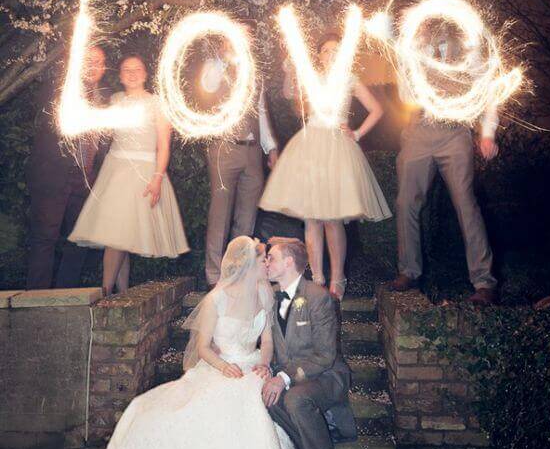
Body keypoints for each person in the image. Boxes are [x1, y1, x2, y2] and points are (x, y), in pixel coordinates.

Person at [89, 236, 300, 449]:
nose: (266, 263)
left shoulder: (264, 292)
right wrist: (224, 367)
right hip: (220, 365)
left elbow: (267, 340)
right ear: (248, 264)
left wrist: (264, 364)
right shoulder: (217, 298)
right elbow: (202, 348)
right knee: (175, 410)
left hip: (251, 366)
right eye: (263, 259)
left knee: (252, 402)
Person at [259, 35, 392, 300]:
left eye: (336, 50)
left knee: (332, 219)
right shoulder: (312, 79)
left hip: (336, 148)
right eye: (326, 50)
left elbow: (377, 109)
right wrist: (289, 71)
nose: (331, 54)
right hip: (310, 148)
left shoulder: (350, 79)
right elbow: (290, 94)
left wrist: (356, 133)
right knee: (312, 218)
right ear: (319, 56)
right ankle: (317, 278)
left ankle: (337, 277)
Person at [390, 30, 499, 305]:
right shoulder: (413, 51)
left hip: (455, 132)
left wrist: (487, 133)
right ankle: (408, 271)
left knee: (465, 203)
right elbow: (405, 96)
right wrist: (406, 61)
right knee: (405, 202)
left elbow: (489, 91)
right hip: (420, 131)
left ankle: (484, 281)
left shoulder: (468, 50)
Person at [69, 54, 188, 295]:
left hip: (143, 173)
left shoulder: (158, 104)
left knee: (119, 236)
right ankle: (121, 293)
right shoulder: (115, 100)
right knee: (119, 235)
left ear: (145, 74)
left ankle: (104, 292)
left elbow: (163, 146)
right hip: (115, 172)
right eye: (126, 69)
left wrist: (157, 178)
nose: (132, 73)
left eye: (137, 69)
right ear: (121, 76)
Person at [263, 237, 356, 449]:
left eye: (272, 258)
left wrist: (283, 377)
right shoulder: (270, 297)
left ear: (289, 262)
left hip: (327, 375)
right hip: (293, 375)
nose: (267, 262)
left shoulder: (318, 297)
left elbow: (325, 356)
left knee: (296, 398)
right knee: (269, 399)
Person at [26, 45, 109, 289]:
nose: (94, 66)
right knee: (45, 238)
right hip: (55, 173)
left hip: (84, 178)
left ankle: (67, 295)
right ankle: (36, 299)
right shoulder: (62, 90)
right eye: (89, 60)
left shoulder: (102, 99)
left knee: (80, 239)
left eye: (99, 62)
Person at [201, 43, 278, 288]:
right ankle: (214, 275)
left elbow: (262, 111)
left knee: (247, 218)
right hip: (224, 148)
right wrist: (222, 57)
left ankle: (237, 272)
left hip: (252, 151)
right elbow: (207, 86)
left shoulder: (254, 71)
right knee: (220, 214)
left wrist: (271, 147)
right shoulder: (214, 66)